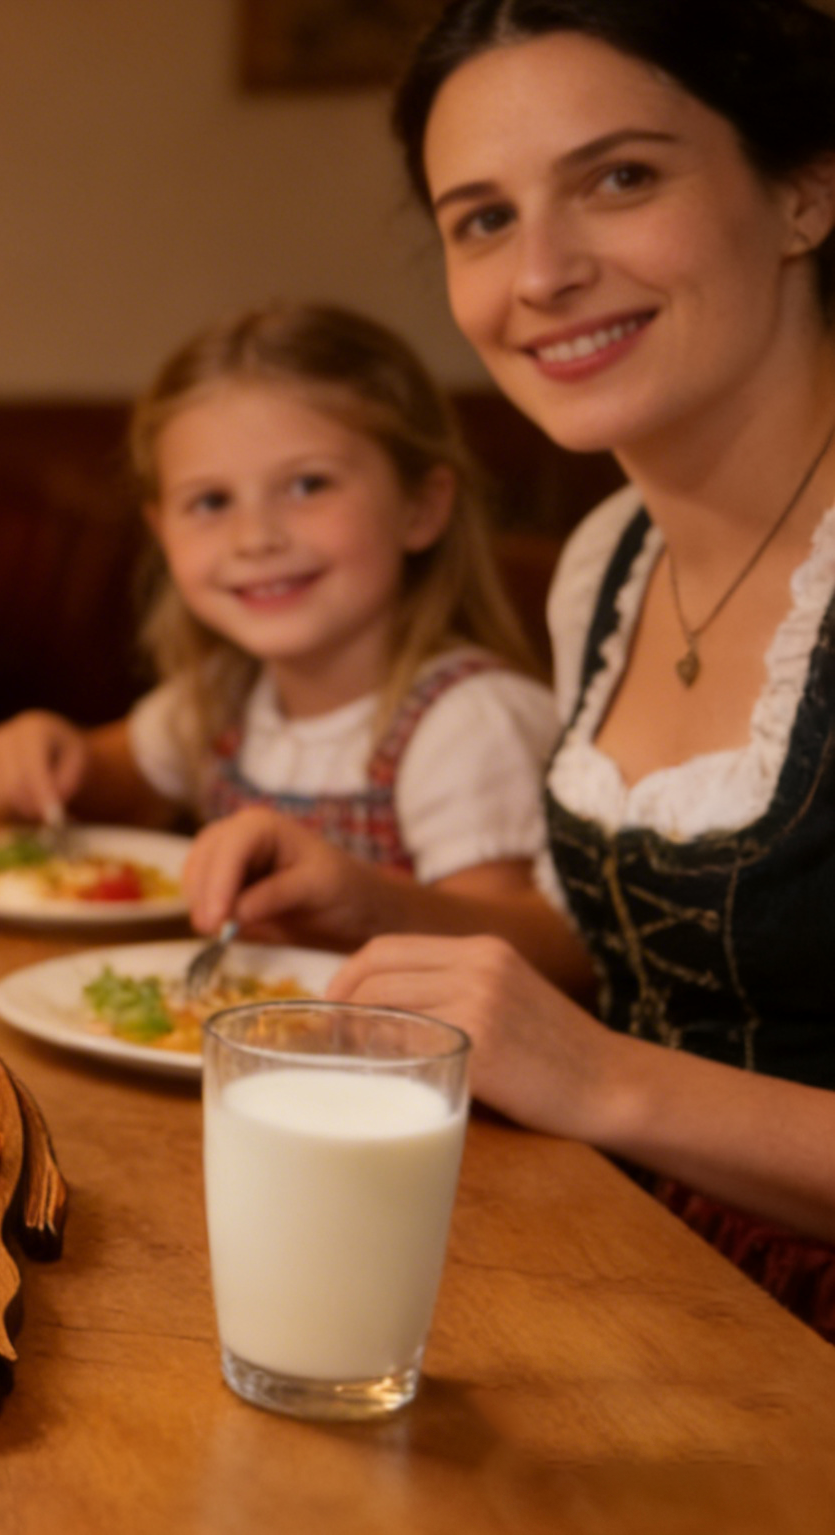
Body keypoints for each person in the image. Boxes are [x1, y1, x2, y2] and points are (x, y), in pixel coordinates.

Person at [194, 0, 835, 1334]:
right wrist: (370, 900)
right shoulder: (607, 559)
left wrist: (603, 1082)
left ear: (802, 189)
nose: (539, 273)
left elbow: (601, 1053)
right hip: (625, 1265)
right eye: (481, 217)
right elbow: (624, 957)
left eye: (618, 178)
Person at [0, 301, 562, 934]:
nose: (255, 537)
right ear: (162, 532)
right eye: (211, 501)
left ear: (420, 505)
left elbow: (513, 950)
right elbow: (111, 777)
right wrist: (46, 754)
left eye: (308, 485)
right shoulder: (224, 693)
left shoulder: (470, 726)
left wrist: (370, 904)